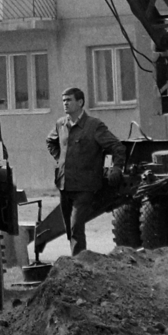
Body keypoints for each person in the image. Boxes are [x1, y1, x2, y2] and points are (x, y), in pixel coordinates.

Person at [45, 87, 125, 255]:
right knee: (69, 228)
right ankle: (76, 262)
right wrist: (61, 160)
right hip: (64, 184)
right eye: (63, 100)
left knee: (76, 226)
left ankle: (79, 264)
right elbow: (50, 141)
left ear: (80, 102)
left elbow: (116, 147)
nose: (65, 103)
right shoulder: (61, 124)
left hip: (85, 186)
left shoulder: (94, 126)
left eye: (69, 100)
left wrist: (115, 167)